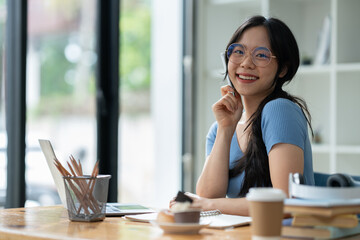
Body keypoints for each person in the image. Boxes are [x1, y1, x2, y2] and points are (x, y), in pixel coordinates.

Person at [173, 15, 315, 216]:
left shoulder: (279, 110)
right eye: (238, 51)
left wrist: (205, 205)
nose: (246, 63)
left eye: (261, 55)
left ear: (283, 69)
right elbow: (209, 195)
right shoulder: (221, 127)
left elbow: (285, 204)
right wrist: (225, 129)